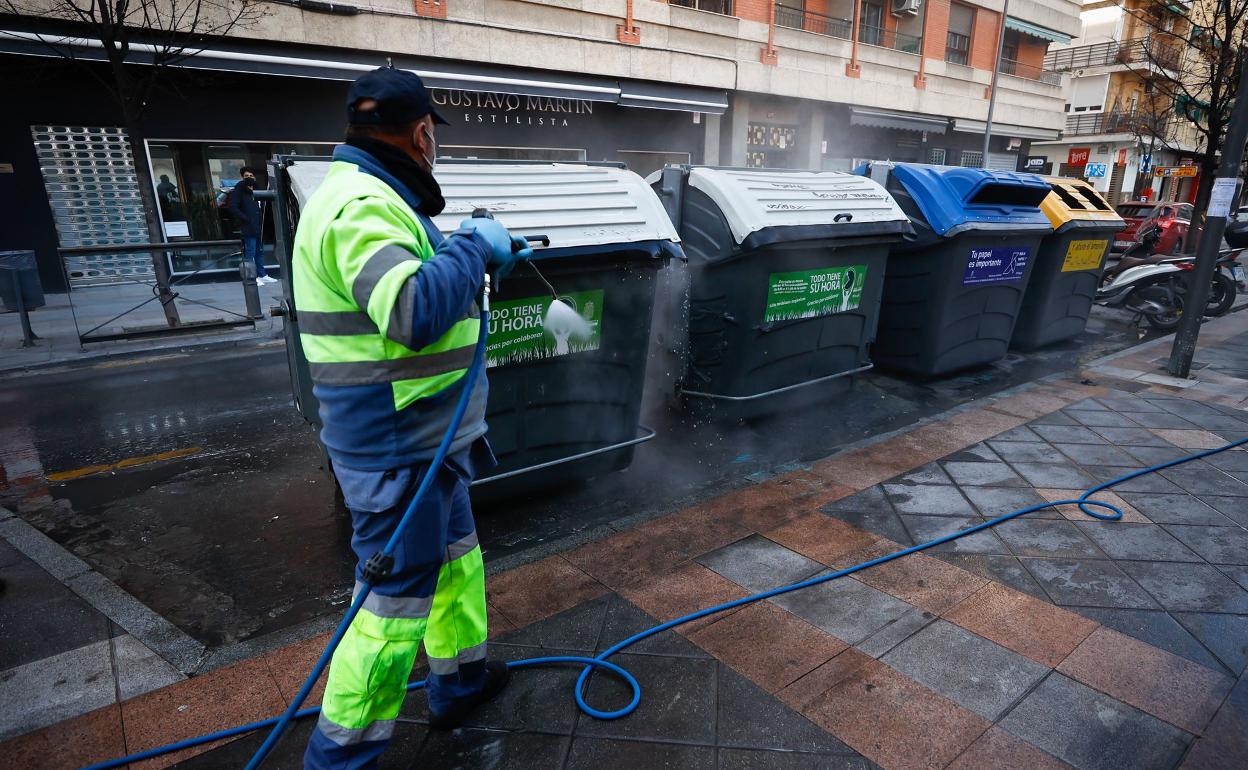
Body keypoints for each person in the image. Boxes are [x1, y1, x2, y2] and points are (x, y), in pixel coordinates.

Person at [293, 67, 530, 770]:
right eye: (434, 137)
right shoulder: (358, 204)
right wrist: (473, 246)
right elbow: (412, 311)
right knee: (391, 609)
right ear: (422, 133)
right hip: (398, 453)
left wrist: (467, 256)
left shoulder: (379, 200)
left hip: (431, 444)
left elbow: (417, 287)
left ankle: (457, 683)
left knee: (456, 565)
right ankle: (339, 756)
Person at [229, 166, 275, 285]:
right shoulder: (239, 190)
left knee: (259, 251)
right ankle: (252, 276)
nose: (249, 178)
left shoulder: (257, 189)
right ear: (242, 177)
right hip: (248, 226)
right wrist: (245, 218)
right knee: (250, 252)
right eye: (246, 176)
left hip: (259, 225)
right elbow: (233, 207)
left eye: (251, 176)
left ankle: (262, 274)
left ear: (254, 177)